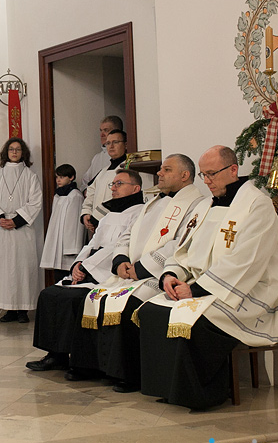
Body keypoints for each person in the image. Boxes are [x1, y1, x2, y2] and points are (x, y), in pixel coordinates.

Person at [136, 145, 278, 410]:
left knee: (196, 320)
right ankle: (171, 388)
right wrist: (172, 274)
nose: (206, 182)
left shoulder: (257, 205)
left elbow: (245, 262)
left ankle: (204, 394)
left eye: (211, 175)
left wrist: (195, 291)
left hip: (246, 292)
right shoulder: (206, 205)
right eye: (203, 176)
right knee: (152, 310)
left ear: (233, 170)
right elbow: (184, 247)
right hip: (203, 285)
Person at [85, 154, 204, 392]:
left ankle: (129, 375)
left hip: (155, 273)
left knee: (129, 308)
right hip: (130, 272)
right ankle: (102, 369)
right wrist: (120, 261)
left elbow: (179, 244)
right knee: (97, 298)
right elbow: (128, 233)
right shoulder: (152, 201)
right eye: (160, 169)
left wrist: (139, 269)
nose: (159, 173)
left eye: (166, 170)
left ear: (184, 175)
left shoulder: (196, 204)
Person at [26, 169, 145, 379]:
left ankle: (82, 362)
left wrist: (87, 268)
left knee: (73, 299)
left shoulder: (140, 214)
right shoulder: (110, 214)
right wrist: (78, 263)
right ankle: (56, 355)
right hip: (91, 267)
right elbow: (92, 243)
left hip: (108, 273)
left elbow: (118, 248)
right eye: (113, 184)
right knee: (50, 294)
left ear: (135, 188)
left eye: (119, 184)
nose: (113, 188)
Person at [0, 138, 43, 323]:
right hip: (1, 230)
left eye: (18, 149)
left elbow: (35, 201)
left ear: (23, 153)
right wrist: (0, 219)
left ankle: (23, 309)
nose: (14, 152)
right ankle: (9, 309)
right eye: (11, 149)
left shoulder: (30, 176)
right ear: (6, 153)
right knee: (4, 269)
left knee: (22, 268)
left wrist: (16, 220)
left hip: (22, 229)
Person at [80, 129, 153, 234]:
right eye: (108, 143)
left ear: (126, 144)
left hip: (119, 224)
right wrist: (86, 213)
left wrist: (96, 217)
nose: (111, 146)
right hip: (98, 224)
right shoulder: (103, 171)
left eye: (115, 142)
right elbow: (90, 193)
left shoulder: (130, 169)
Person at [38, 164, 86, 283]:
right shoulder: (58, 195)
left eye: (62, 177)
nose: (58, 180)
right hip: (57, 242)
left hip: (68, 246)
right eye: (57, 177)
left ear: (71, 177)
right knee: (58, 275)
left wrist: (72, 248)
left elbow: (74, 225)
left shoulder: (75, 195)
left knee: (68, 275)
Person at [82, 116, 123, 185]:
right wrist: (85, 190)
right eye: (101, 130)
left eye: (106, 130)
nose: (102, 135)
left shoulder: (124, 158)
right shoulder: (97, 158)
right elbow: (86, 181)